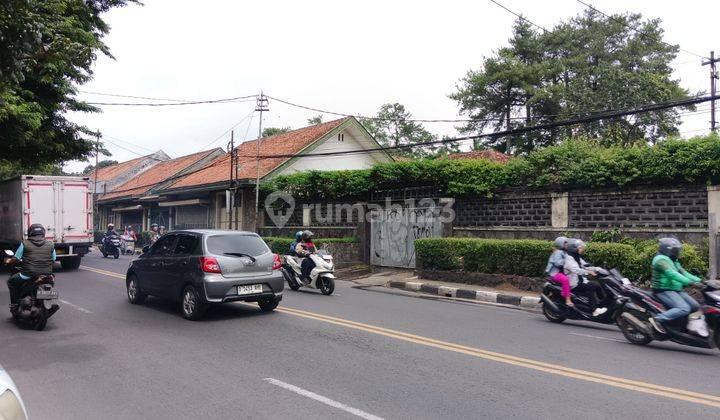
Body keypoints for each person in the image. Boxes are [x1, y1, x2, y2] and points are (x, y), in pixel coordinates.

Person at [648, 238, 702, 334]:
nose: (678, 252)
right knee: (684, 308)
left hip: (676, 289)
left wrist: (701, 281)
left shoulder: (673, 260)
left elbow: (683, 273)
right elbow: (672, 273)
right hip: (663, 290)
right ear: (667, 249)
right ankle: (658, 319)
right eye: (675, 250)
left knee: (695, 306)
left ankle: (682, 325)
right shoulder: (660, 260)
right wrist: (690, 282)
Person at [6, 224, 56, 308]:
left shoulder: (25, 243)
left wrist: (9, 261)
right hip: (47, 274)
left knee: (11, 281)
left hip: (28, 274)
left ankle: (14, 304)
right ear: (43, 233)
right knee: (51, 281)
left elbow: (16, 258)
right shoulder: (50, 244)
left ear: (30, 233)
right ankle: (48, 300)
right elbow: (53, 259)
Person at [564, 239, 607, 317]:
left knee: (597, 286)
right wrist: (588, 272)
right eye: (580, 248)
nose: (582, 249)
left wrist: (599, 269)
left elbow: (585, 266)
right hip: (574, 284)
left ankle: (603, 304)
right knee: (590, 289)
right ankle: (594, 310)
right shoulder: (569, 259)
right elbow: (576, 270)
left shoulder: (577, 257)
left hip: (580, 281)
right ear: (574, 249)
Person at [545, 236, 573, 307]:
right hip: (554, 274)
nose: (567, 245)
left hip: (561, 273)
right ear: (560, 244)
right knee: (565, 280)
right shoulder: (558, 252)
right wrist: (566, 260)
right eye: (565, 243)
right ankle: (567, 299)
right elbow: (558, 263)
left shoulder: (564, 252)